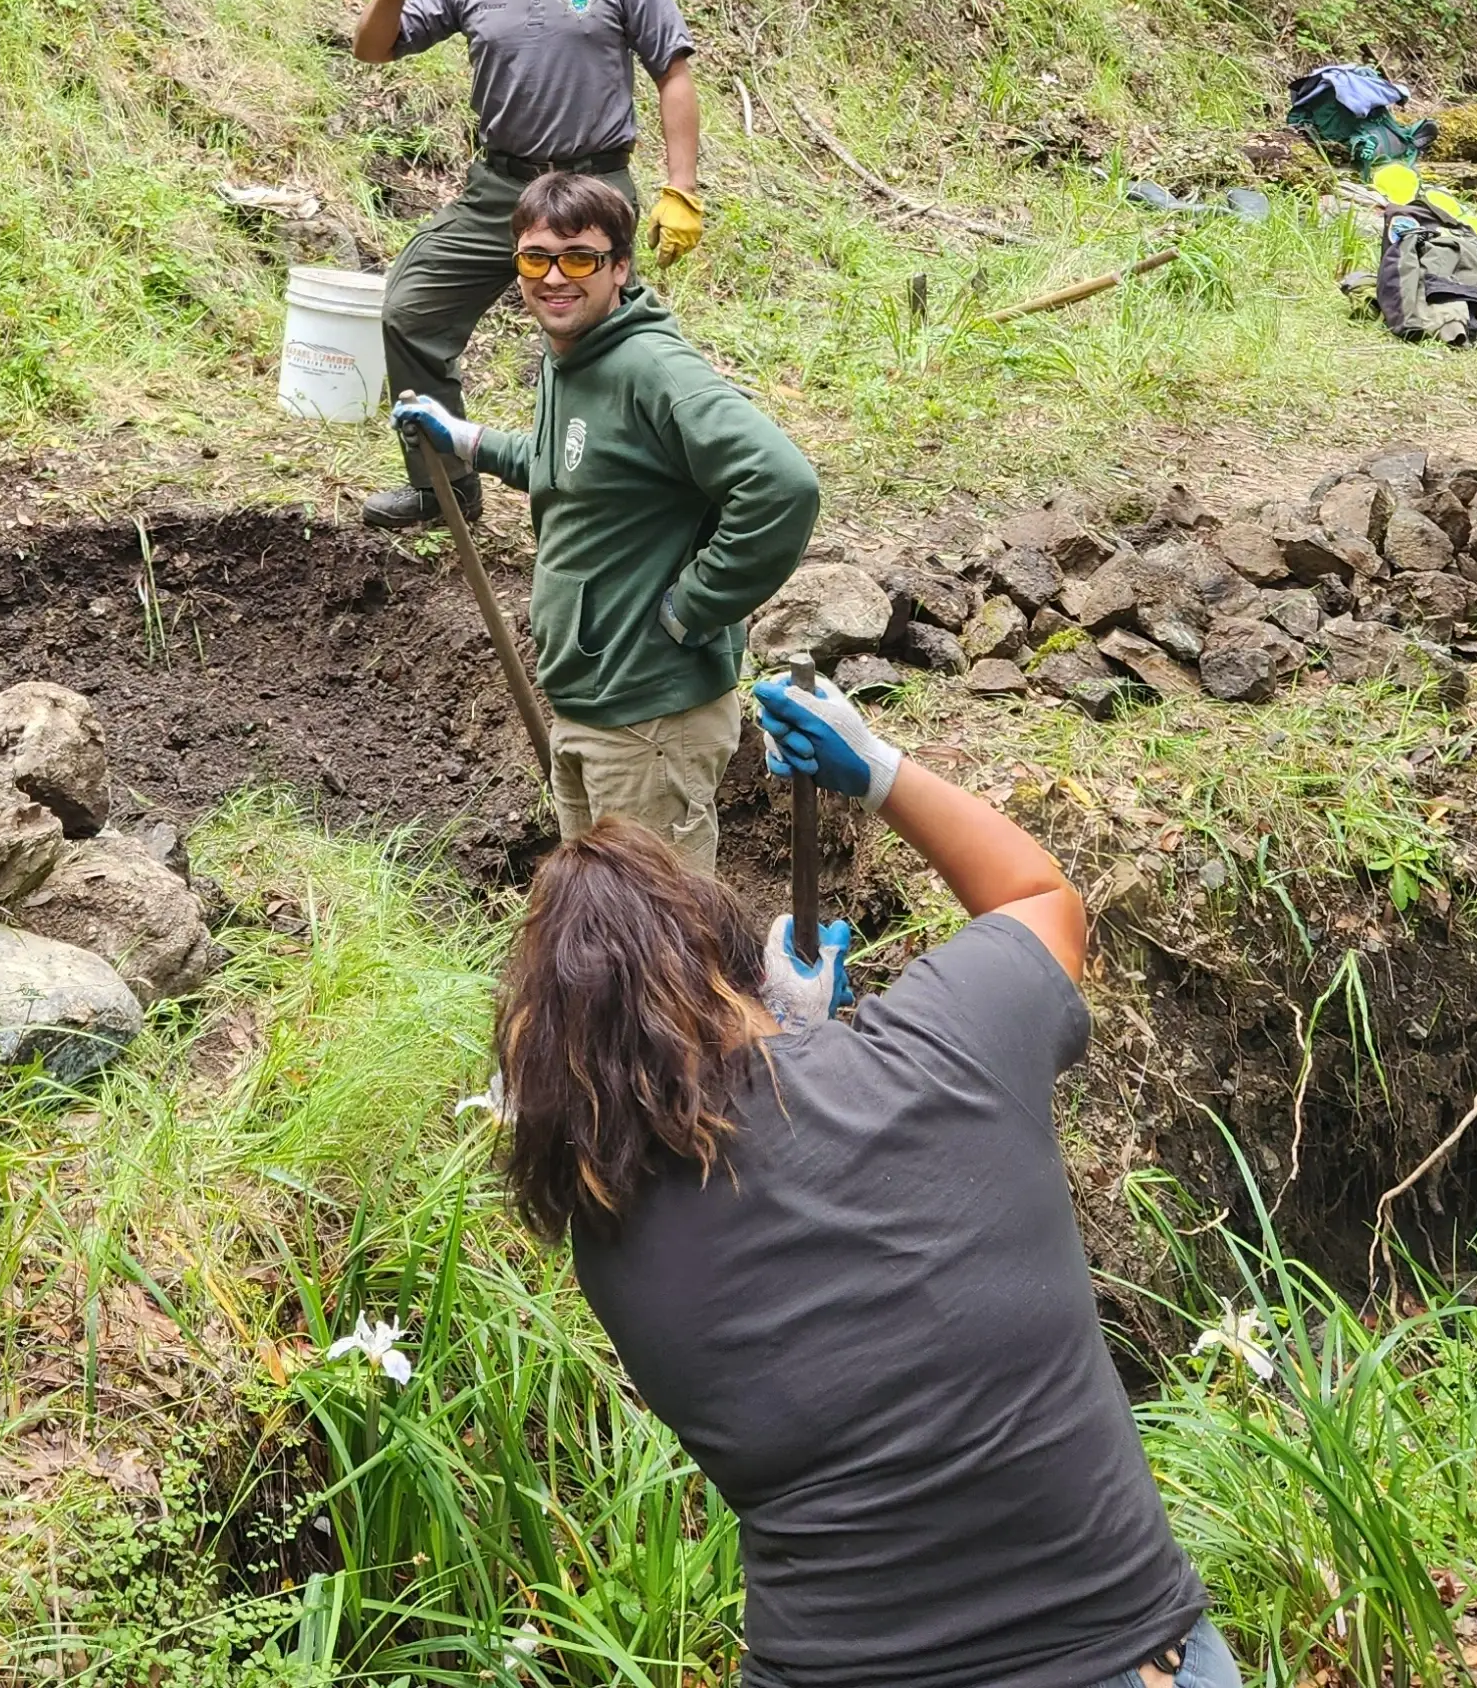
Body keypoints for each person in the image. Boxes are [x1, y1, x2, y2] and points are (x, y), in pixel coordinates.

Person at [492, 672, 1237, 1688]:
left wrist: (774, 1051)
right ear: (734, 965)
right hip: (1115, 1656)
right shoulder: (944, 1049)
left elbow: (731, 1169)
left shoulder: (610, 1238)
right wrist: (879, 773)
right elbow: (1039, 901)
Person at [390, 168, 816, 874]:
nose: (555, 278)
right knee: (606, 929)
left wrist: (694, 607)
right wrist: (464, 439)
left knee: (662, 941)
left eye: (579, 259)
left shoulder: (653, 370)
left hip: (651, 721)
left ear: (619, 267)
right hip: (589, 704)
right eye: (536, 259)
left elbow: (783, 486)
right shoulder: (572, 356)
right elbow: (572, 468)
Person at [354, 0, 704, 528]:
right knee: (410, 311)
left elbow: (672, 69)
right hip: (502, 192)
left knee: (607, 349)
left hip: (594, 187)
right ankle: (443, 488)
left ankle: (627, 496)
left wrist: (681, 189)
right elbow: (372, 50)